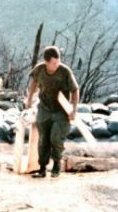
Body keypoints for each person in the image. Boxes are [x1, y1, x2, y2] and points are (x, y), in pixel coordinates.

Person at [25, 46, 79, 178]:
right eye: (54, 63)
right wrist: (29, 99)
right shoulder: (39, 69)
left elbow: (75, 90)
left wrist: (73, 110)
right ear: (46, 62)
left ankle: (56, 165)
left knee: (56, 138)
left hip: (61, 110)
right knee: (43, 139)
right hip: (44, 108)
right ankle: (42, 168)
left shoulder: (65, 71)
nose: (57, 65)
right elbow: (33, 83)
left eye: (58, 61)